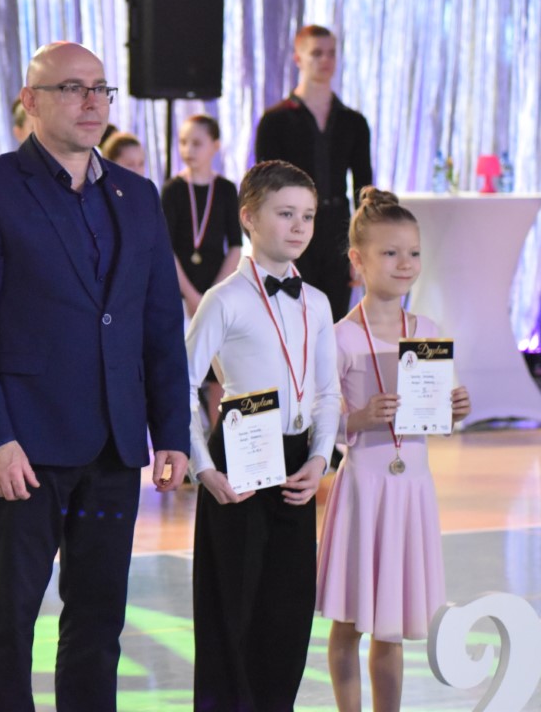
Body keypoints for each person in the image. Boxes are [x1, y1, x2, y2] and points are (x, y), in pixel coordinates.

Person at [0, 41, 191, 712]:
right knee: (11, 620)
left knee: (100, 621)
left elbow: (160, 322)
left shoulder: (137, 195)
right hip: (26, 444)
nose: (91, 101)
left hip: (115, 444)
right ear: (31, 101)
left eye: (100, 88)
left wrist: (173, 430)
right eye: (73, 88)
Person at [184, 160, 339, 710]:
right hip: (240, 457)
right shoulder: (223, 299)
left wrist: (320, 459)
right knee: (233, 607)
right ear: (249, 217)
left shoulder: (317, 301)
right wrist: (204, 469)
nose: (299, 227)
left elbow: (327, 393)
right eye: (285, 213)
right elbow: (181, 386)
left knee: (288, 609)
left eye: (308, 216)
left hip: (297, 464)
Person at [316, 187, 470, 712]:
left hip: (411, 488)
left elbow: (432, 413)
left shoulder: (427, 332)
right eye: (390, 252)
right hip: (364, 487)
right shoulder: (339, 337)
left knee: (392, 623)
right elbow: (319, 424)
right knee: (349, 621)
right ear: (357, 260)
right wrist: (357, 419)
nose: (405, 263)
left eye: (413, 252)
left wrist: (454, 409)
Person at [255, 25, 372, 321]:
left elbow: (364, 189)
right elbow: (264, 190)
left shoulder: (353, 122)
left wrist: (361, 248)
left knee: (333, 322)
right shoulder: (275, 121)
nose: (325, 60)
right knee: (291, 320)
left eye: (331, 53)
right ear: (298, 58)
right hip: (291, 228)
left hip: (338, 232)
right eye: (317, 53)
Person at [161, 115, 243, 429]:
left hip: (217, 288)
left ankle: (221, 442)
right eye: (183, 142)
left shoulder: (225, 189)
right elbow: (166, 249)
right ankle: (186, 440)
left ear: (215, 146)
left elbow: (235, 246)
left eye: (197, 143)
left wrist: (212, 294)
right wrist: (192, 296)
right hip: (182, 292)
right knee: (184, 370)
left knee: (219, 371)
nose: (188, 150)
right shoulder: (172, 189)